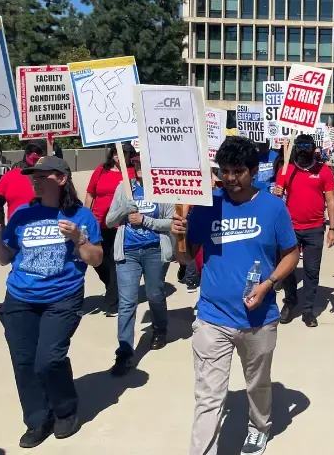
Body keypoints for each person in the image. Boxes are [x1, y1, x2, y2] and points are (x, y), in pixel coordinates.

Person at [172, 137, 299, 455]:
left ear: (254, 171)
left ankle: (259, 427)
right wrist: (179, 238)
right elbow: (186, 259)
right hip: (212, 318)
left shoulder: (273, 207)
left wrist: (269, 283)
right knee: (208, 396)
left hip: (259, 319)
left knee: (257, 384)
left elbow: (291, 254)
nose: (229, 178)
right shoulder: (206, 205)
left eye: (238, 171)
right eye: (225, 170)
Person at [0, 156, 102, 448]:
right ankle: (37, 419)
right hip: (20, 297)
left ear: (61, 179)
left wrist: (78, 239)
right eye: (32, 176)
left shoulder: (81, 216)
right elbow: (4, 259)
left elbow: (96, 259)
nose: (34, 180)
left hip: (62, 297)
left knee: (48, 360)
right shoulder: (22, 214)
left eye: (41, 176)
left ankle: (65, 409)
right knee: (23, 363)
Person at [105, 150, 175, 376]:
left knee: (155, 294)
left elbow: (172, 223)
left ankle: (160, 328)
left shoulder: (163, 188)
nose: (139, 167)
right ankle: (124, 353)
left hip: (154, 250)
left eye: (144, 163)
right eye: (136, 163)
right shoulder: (124, 189)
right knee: (127, 302)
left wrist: (145, 220)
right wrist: (125, 209)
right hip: (128, 253)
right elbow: (109, 221)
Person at [271, 134, 334, 327]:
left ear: (313, 149)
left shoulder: (323, 171)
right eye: (299, 146)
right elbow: (277, 199)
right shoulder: (286, 170)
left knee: (311, 271)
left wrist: (332, 228)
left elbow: (331, 200)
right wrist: (277, 193)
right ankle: (290, 302)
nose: (302, 150)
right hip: (290, 228)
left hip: (315, 229)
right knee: (288, 270)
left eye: (306, 146)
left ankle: (308, 310)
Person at [85, 143, 135, 314]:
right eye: (115, 153)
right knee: (98, 260)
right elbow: (90, 193)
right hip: (98, 223)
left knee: (115, 261)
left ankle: (112, 302)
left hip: (120, 223)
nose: (118, 157)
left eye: (124, 153)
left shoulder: (132, 172)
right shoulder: (101, 170)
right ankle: (113, 286)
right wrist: (87, 216)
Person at [0, 141, 45, 224]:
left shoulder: (54, 177)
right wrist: (1, 228)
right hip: (15, 232)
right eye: (30, 150)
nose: (34, 154)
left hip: (47, 231)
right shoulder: (10, 176)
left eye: (38, 151)